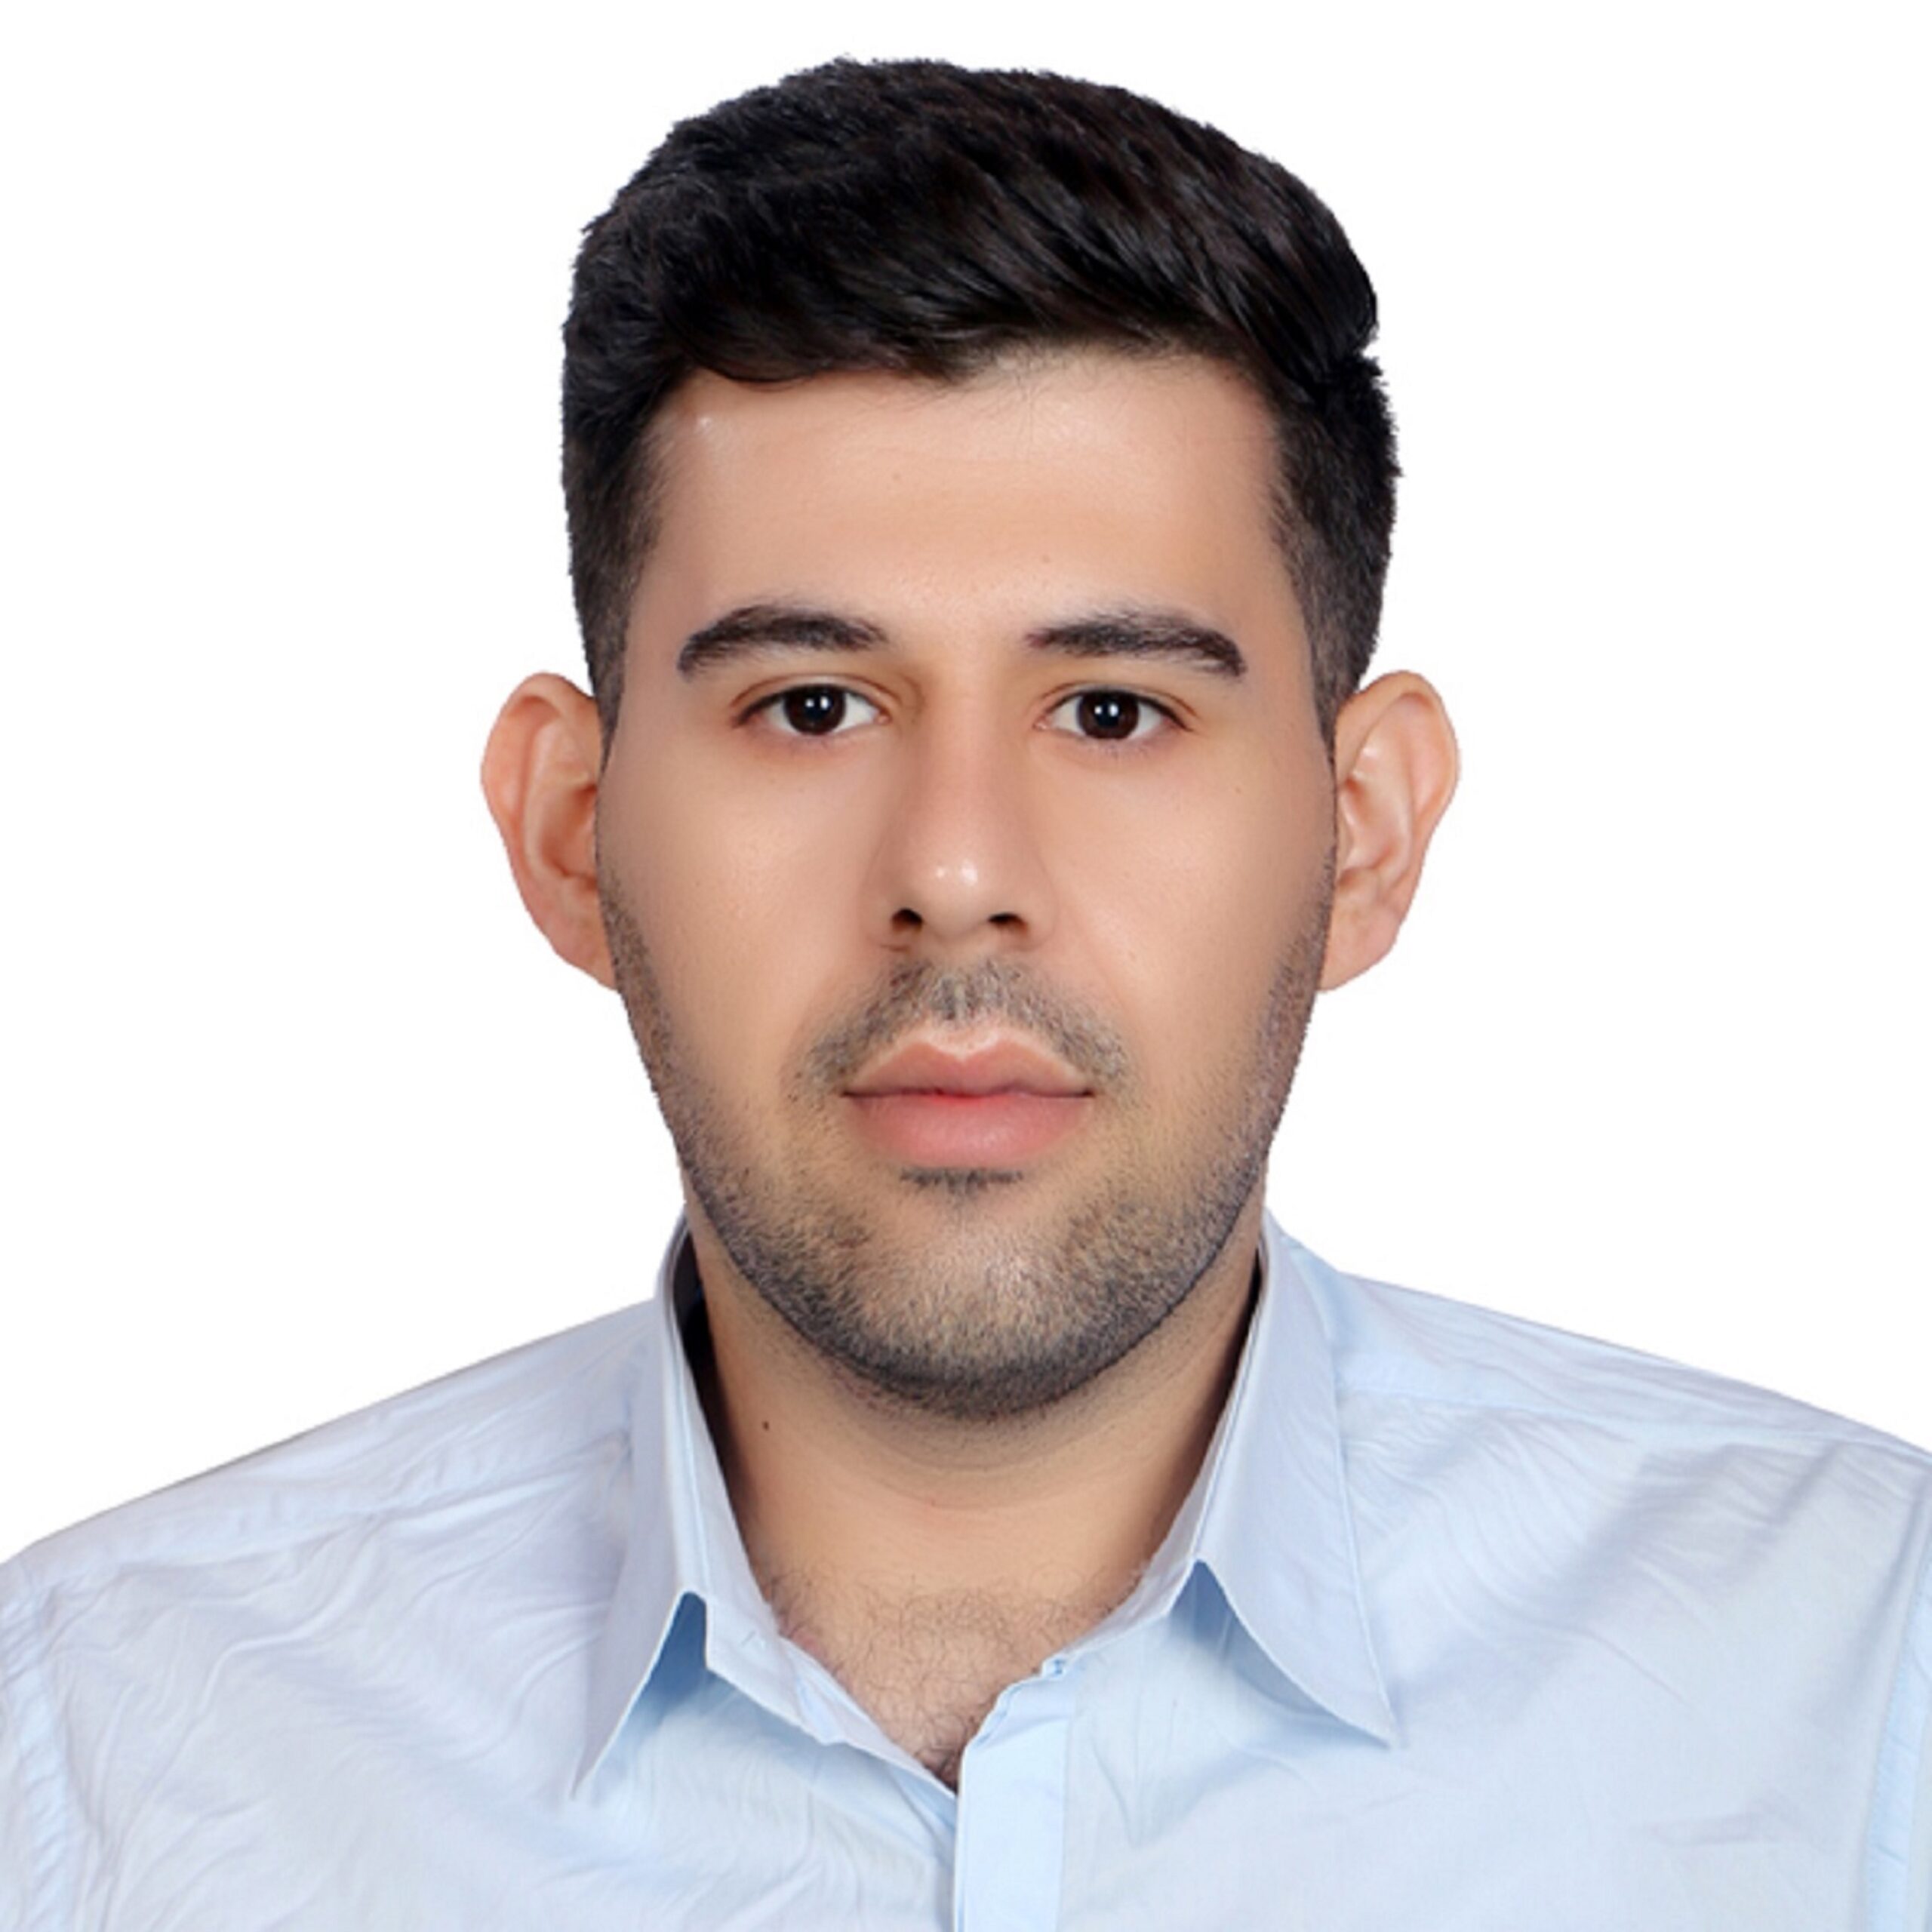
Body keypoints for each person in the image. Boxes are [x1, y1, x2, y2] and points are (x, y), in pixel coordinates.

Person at [2, 54, 1926, 1930]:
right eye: (809, 705)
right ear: (573, 829)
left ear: (1360, 832)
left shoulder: (1857, 1685)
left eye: (1112, 711)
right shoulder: (92, 1750)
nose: (954, 868)